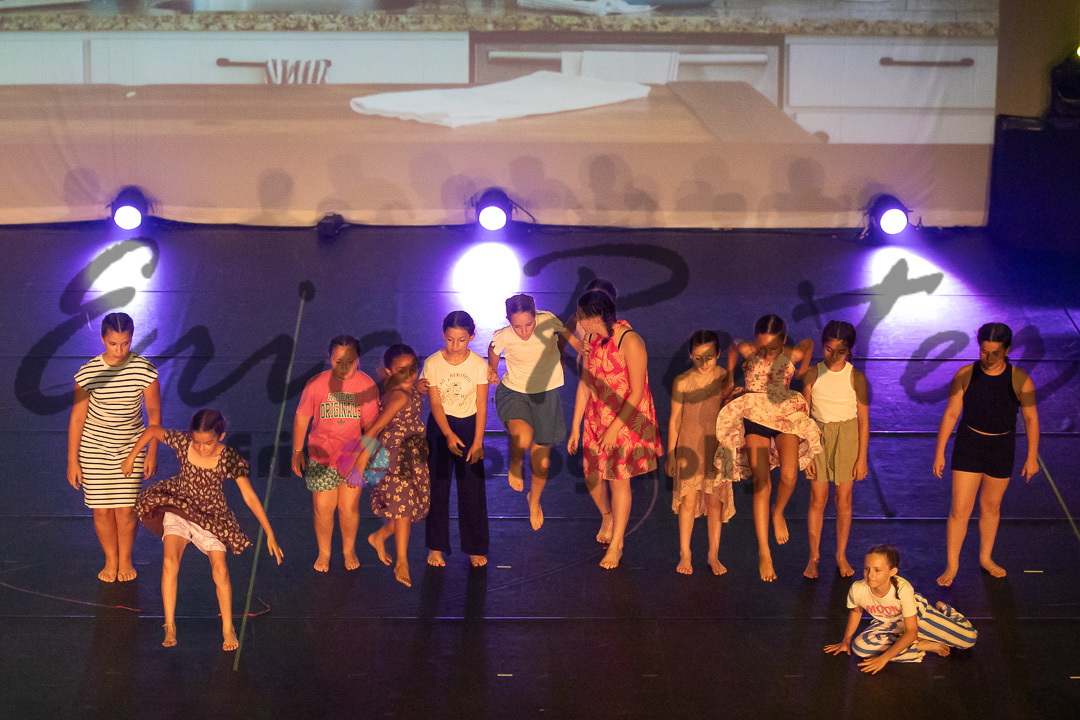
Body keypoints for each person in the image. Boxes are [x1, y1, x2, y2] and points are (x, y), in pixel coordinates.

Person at [126, 409, 283, 650]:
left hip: (212, 516)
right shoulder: (183, 442)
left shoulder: (228, 458)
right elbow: (153, 431)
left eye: (208, 443)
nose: (201, 448)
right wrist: (132, 457)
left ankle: (228, 628)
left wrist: (269, 532)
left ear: (221, 437)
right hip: (180, 505)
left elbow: (249, 496)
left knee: (220, 571)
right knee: (170, 562)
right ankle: (170, 625)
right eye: (197, 442)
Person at [714, 314, 821, 582]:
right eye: (762, 347)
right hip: (754, 414)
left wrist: (804, 373)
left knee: (790, 475)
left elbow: (808, 344)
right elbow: (734, 345)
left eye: (773, 348)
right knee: (762, 483)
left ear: (783, 341)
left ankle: (778, 511)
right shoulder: (749, 350)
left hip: (784, 413)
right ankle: (764, 551)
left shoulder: (792, 354)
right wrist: (730, 376)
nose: (766, 353)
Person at [933, 322, 1040, 586]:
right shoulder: (965, 374)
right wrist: (940, 452)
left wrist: (1032, 457)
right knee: (960, 509)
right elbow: (951, 413)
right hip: (969, 444)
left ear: (1007, 350)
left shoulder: (1020, 379)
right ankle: (952, 565)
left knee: (991, 507)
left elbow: (1031, 419)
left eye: (995, 353)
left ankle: (985, 557)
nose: (988, 358)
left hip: (1001, 447)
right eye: (984, 351)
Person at [567, 290, 663, 569]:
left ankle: (617, 543)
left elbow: (637, 392)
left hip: (625, 418)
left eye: (582, 317)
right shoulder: (590, 338)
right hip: (597, 415)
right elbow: (586, 383)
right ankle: (607, 516)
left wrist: (614, 430)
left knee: (618, 480)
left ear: (595, 317)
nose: (579, 322)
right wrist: (576, 426)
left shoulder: (630, 341)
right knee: (592, 475)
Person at [67, 312, 161, 583]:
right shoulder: (89, 373)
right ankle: (111, 559)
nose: (119, 350)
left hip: (132, 447)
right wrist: (72, 460)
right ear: (102, 340)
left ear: (132, 338)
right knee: (102, 509)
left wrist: (152, 453)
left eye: (125, 343)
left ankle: (125, 558)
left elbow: (154, 414)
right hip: (94, 449)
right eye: (112, 344)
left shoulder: (145, 371)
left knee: (126, 509)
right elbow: (77, 418)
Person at [291, 335, 379, 572]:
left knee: (348, 507)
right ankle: (325, 552)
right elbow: (302, 416)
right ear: (329, 358)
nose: (344, 367)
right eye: (337, 361)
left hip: (353, 457)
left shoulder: (366, 385)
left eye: (350, 362)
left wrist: (362, 460)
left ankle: (348, 549)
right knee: (323, 507)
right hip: (322, 456)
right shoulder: (316, 384)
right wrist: (297, 450)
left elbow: (372, 427)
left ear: (358, 359)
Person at [487, 293, 573, 530]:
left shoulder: (547, 321)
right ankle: (515, 463)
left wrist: (573, 348)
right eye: (517, 326)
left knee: (540, 462)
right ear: (509, 321)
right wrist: (492, 368)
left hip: (545, 395)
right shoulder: (506, 335)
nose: (524, 332)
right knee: (522, 437)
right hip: (514, 391)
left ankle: (534, 500)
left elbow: (565, 330)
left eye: (528, 324)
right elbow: (493, 349)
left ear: (535, 316)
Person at [824, 545, 977, 674]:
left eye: (877, 570)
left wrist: (884, 659)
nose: (870, 575)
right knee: (859, 649)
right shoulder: (858, 589)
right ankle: (920, 646)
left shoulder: (903, 589)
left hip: (917, 618)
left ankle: (947, 612)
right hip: (889, 623)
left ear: (892, 572)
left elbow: (912, 631)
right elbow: (856, 611)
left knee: (969, 639)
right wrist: (846, 639)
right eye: (867, 569)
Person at [801, 320, 869, 579]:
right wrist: (805, 451)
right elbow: (803, 417)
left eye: (840, 351)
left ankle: (841, 554)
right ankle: (814, 556)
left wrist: (861, 458)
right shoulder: (812, 374)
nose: (834, 356)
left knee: (844, 500)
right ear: (823, 346)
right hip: (818, 436)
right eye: (829, 350)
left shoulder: (856, 377)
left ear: (849, 351)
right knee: (817, 499)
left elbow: (864, 421)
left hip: (847, 437)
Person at [423, 311, 491, 567]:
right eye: (450, 339)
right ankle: (436, 547)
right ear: (443, 334)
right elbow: (436, 403)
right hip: (440, 428)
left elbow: (482, 405)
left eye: (461, 340)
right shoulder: (432, 363)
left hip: (470, 427)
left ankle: (475, 547)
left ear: (471, 337)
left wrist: (478, 442)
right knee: (438, 488)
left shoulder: (478, 365)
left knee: (472, 490)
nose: (455, 345)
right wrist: (448, 434)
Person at [666, 330, 737, 575]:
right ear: (690, 355)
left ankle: (713, 554)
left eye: (709, 357)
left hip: (715, 446)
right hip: (689, 445)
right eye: (698, 358)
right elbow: (675, 420)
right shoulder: (683, 381)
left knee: (714, 500)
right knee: (688, 499)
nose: (704, 363)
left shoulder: (723, 378)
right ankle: (685, 553)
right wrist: (671, 453)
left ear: (718, 354)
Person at [362, 344, 430, 587]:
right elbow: (375, 428)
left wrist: (416, 387)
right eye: (402, 371)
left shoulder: (404, 389)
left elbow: (409, 389)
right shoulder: (399, 396)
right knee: (403, 509)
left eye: (412, 368)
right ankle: (402, 561)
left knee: (407, 509)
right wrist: (360, 460)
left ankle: (379, 536)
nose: (410, 374)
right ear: (390, 372)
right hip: (395, 458)